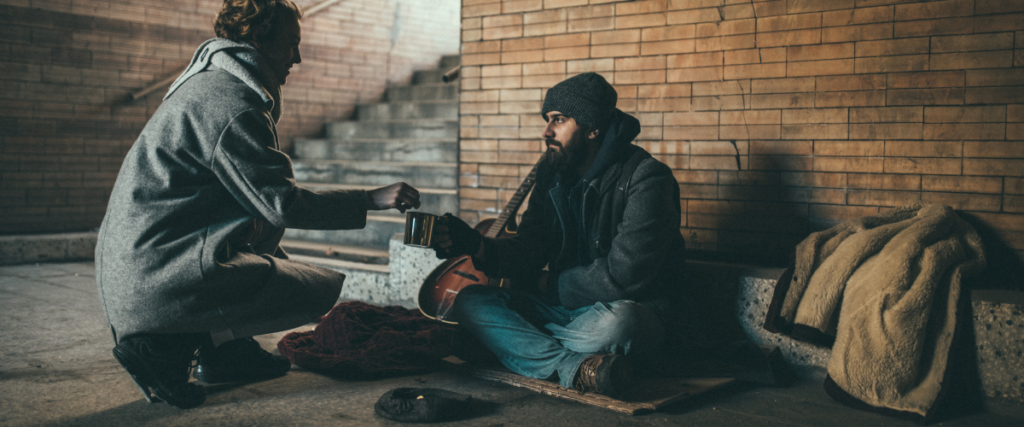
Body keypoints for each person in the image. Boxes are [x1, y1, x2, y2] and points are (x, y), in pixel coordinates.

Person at [95, 0, 421, 409]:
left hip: (138, 269)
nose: (297, 58)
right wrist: (371, 199)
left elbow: (260, 208)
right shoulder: (234, 103)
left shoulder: (207, 82)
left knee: (259, 227)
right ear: (257, 41)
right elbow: (283, 204)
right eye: (291, 44)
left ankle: (225, 353)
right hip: (154, 280)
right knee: (313, 289)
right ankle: (164, 349)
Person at [431, 72, 687, 398]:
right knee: (469, 301)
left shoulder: (647, 178)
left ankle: (517, 347)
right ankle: (577, 368)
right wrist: (477, 246)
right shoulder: (553, 174)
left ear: (592, 128)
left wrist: (546, 285)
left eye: (559, 120)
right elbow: (530, 248)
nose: (546, 130)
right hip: (562, 312)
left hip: (622, 311)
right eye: (547, 120)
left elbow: (625, 277)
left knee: (621, 325)